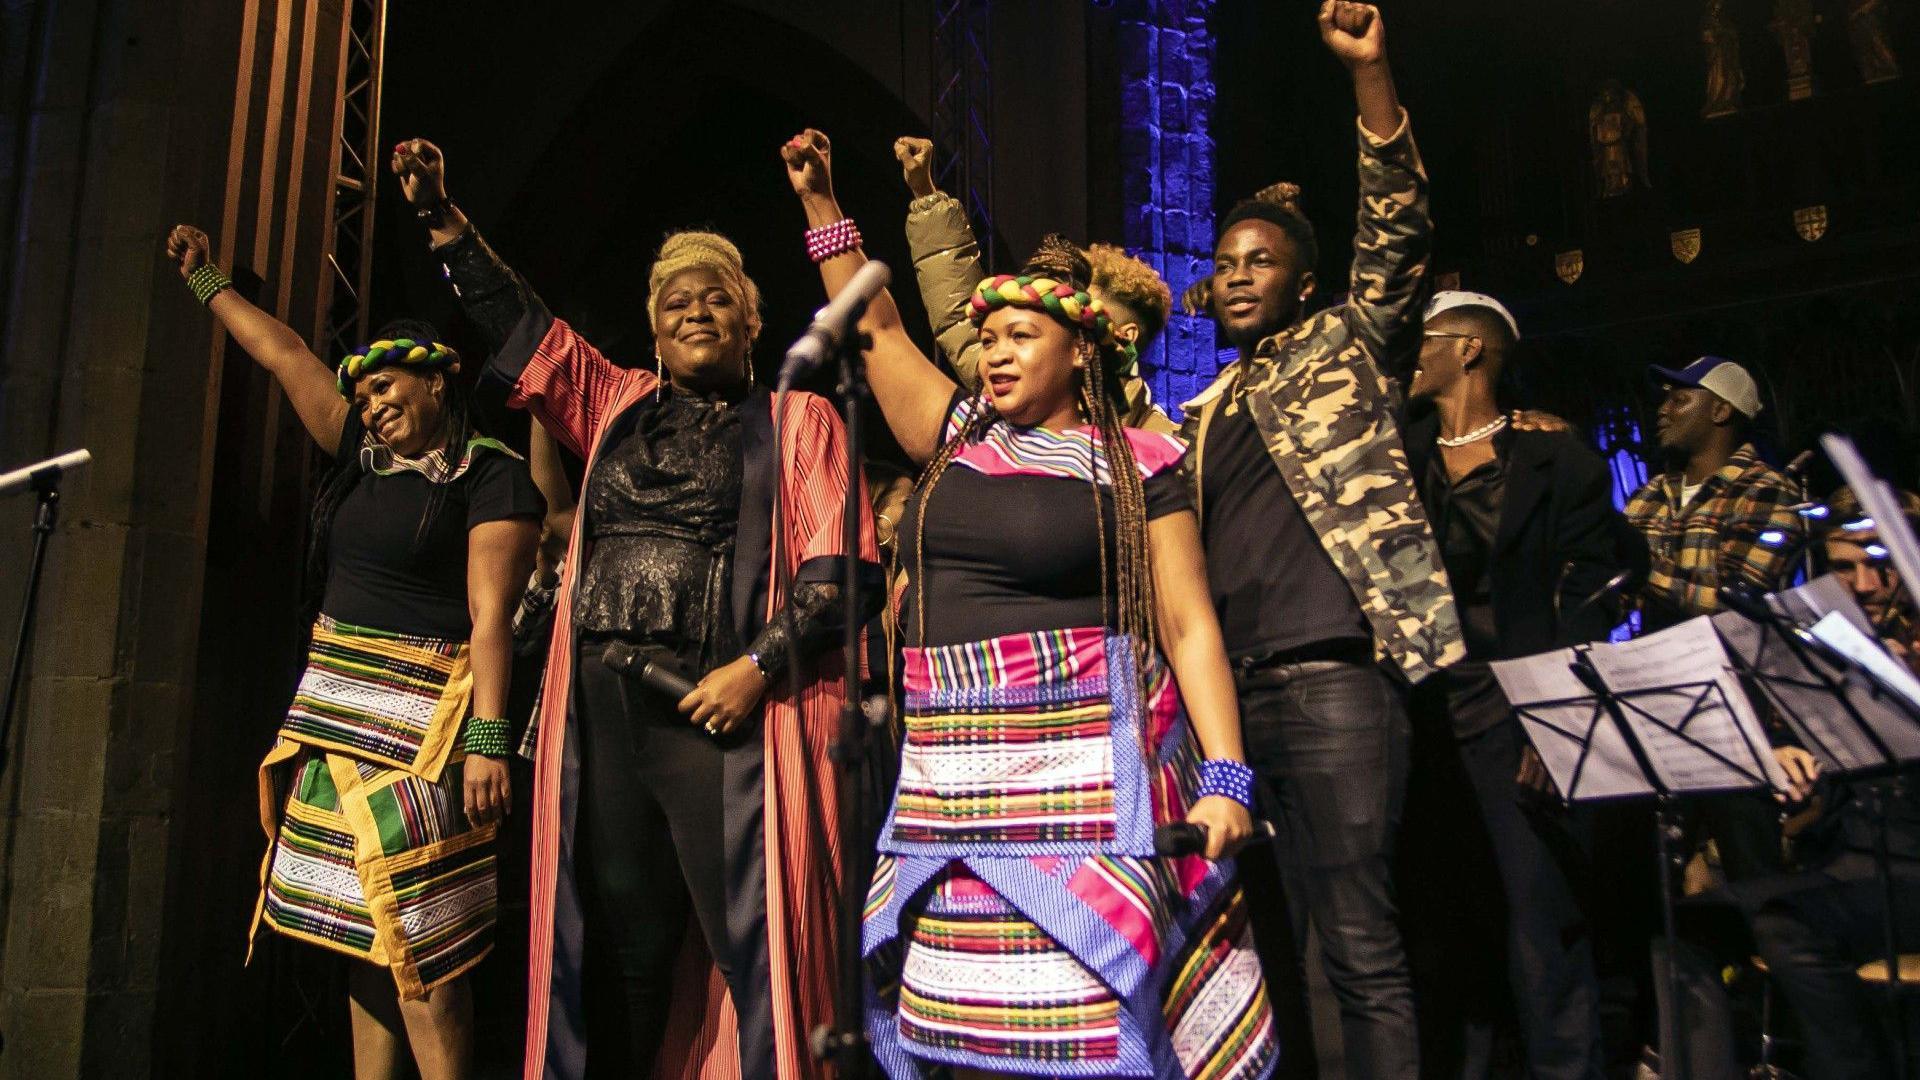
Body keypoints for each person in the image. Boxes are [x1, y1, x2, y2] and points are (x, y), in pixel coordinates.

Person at [782, 125, 1277, 1079]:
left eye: (1021, 337)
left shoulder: (1136, 465)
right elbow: (877, 324)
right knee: (960, 1028)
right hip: (952, 781)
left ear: (1080, 351)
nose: (996, 355)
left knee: (1084, 1031)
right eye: (991, 338)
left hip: (1081, 781)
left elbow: (1186, 623)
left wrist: (1225, 778)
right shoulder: (958, 432)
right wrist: (820, 202)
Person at [391, 138, 880, 1079]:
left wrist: (756, 667)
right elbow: (519, 323)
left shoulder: (797, 420)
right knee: (621, 957)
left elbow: (843, 575)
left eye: (718, 298)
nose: (697, 310)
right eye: (675, 302)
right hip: (607, 719)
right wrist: (443, 219)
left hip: (722, 717)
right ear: (653, 334)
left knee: (752, 946)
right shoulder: (612, 402)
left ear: (752, 322)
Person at [165, 226, 541, 1078]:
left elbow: (491, 620)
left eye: (386, 386)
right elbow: (285, 352)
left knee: (422, 942)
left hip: (428, 731)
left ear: (438, 378)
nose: (370, 405)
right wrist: (206, 281)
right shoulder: (359, 461)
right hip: (335, 719)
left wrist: (486, 743)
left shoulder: (491, 478)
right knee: (360, 933)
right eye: (363, 395)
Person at [1177, 6, 1449, 1078]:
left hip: (1336, 678)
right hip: (1236, 702)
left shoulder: (1349, 342)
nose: (1238, 275)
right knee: (1278, 943)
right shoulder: (1201, 411)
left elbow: (1398, 225)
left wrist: (1371, 74)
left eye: (1262, 261)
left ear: (1301, 279)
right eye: (1226, 262)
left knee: (1358, 939)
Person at [1399, 291, 1646, 1080]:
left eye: (1423, 340)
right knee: (1442, 929)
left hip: (1516, 710)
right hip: (1420, 713)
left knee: (1542, 927)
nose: (1410, 354)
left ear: (1469, 351)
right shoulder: (1398, 455)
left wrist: (1557, 716)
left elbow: (1592, 595)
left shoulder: (1553, 457)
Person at [1725, 499, 1920, 1080]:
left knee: (1790, 920)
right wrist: (1778, 753)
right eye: (1843, 568)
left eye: (1878, 566)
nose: (1863, 586)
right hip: (1856, 864)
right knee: (1749, 920)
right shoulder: (1812, 653)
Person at [892, 134, 1178, 433]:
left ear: (1125, 335)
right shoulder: (1023, 386)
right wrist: (925, 193)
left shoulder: (1162, 442)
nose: (1065, 314)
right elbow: (959, 312)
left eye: (1081, 306)